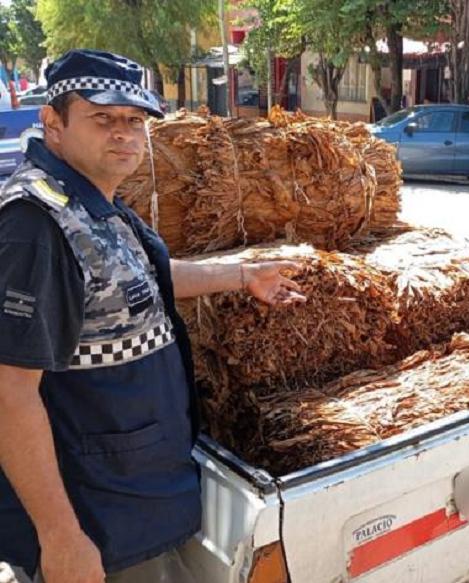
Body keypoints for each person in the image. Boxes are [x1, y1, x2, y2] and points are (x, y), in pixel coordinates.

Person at [0, 49, 305, 583]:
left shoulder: (90, 201)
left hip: (134, 498)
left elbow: (137, 282)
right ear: (53, 122)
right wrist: (60, 535)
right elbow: (9, 393)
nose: (124, 133)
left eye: (135, 120)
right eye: (102, 118)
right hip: (97, 517)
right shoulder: (37, 225)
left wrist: (242, 275)